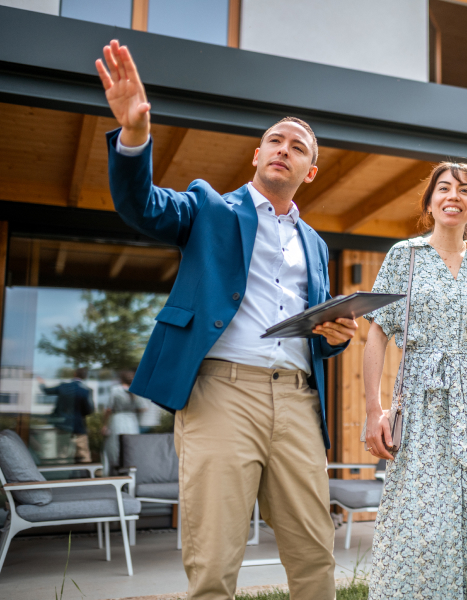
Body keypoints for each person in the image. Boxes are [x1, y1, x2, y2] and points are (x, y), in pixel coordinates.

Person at [96, 40, 357, 600]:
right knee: (214, 558)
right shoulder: (210, 207)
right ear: (257, 157)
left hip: (296, 399)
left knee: (315, 552)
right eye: (275, 141)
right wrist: (135, 136)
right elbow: (142, 207)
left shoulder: (315, 243)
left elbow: (315, 328)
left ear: (311, 171)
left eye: (298, 147)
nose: (284, 150)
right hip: (222, 393)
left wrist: (334, 335)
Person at [363, 163, 467, 599]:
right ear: (430, 201)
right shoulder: (406, 255)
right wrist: (373, 411)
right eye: (444, 189)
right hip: (420, 398)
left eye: (465, 191)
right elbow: (378, 331)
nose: (453, 196)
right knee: (422, 516)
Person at [41, 367, 94, 463]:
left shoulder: (63, 386)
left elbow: (46, 391)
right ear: (85, 377)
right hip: (79, 427)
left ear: (74, 374)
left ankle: (63, 474)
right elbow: (89, 410)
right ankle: (84, 475)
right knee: (83, 455)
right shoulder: (85, 390)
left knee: (62, 454)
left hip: (63, 425)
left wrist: (41, 383)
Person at [102, 370, 144, 469]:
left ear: (121, 379)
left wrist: (104, 424)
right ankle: (130, 468)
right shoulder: (135, 390)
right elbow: (142, 408)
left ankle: (116, 468)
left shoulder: (116, 390)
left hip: (118, 419)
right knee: (131, 446)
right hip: (132, 421)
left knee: (115, 446)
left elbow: (109, 408)